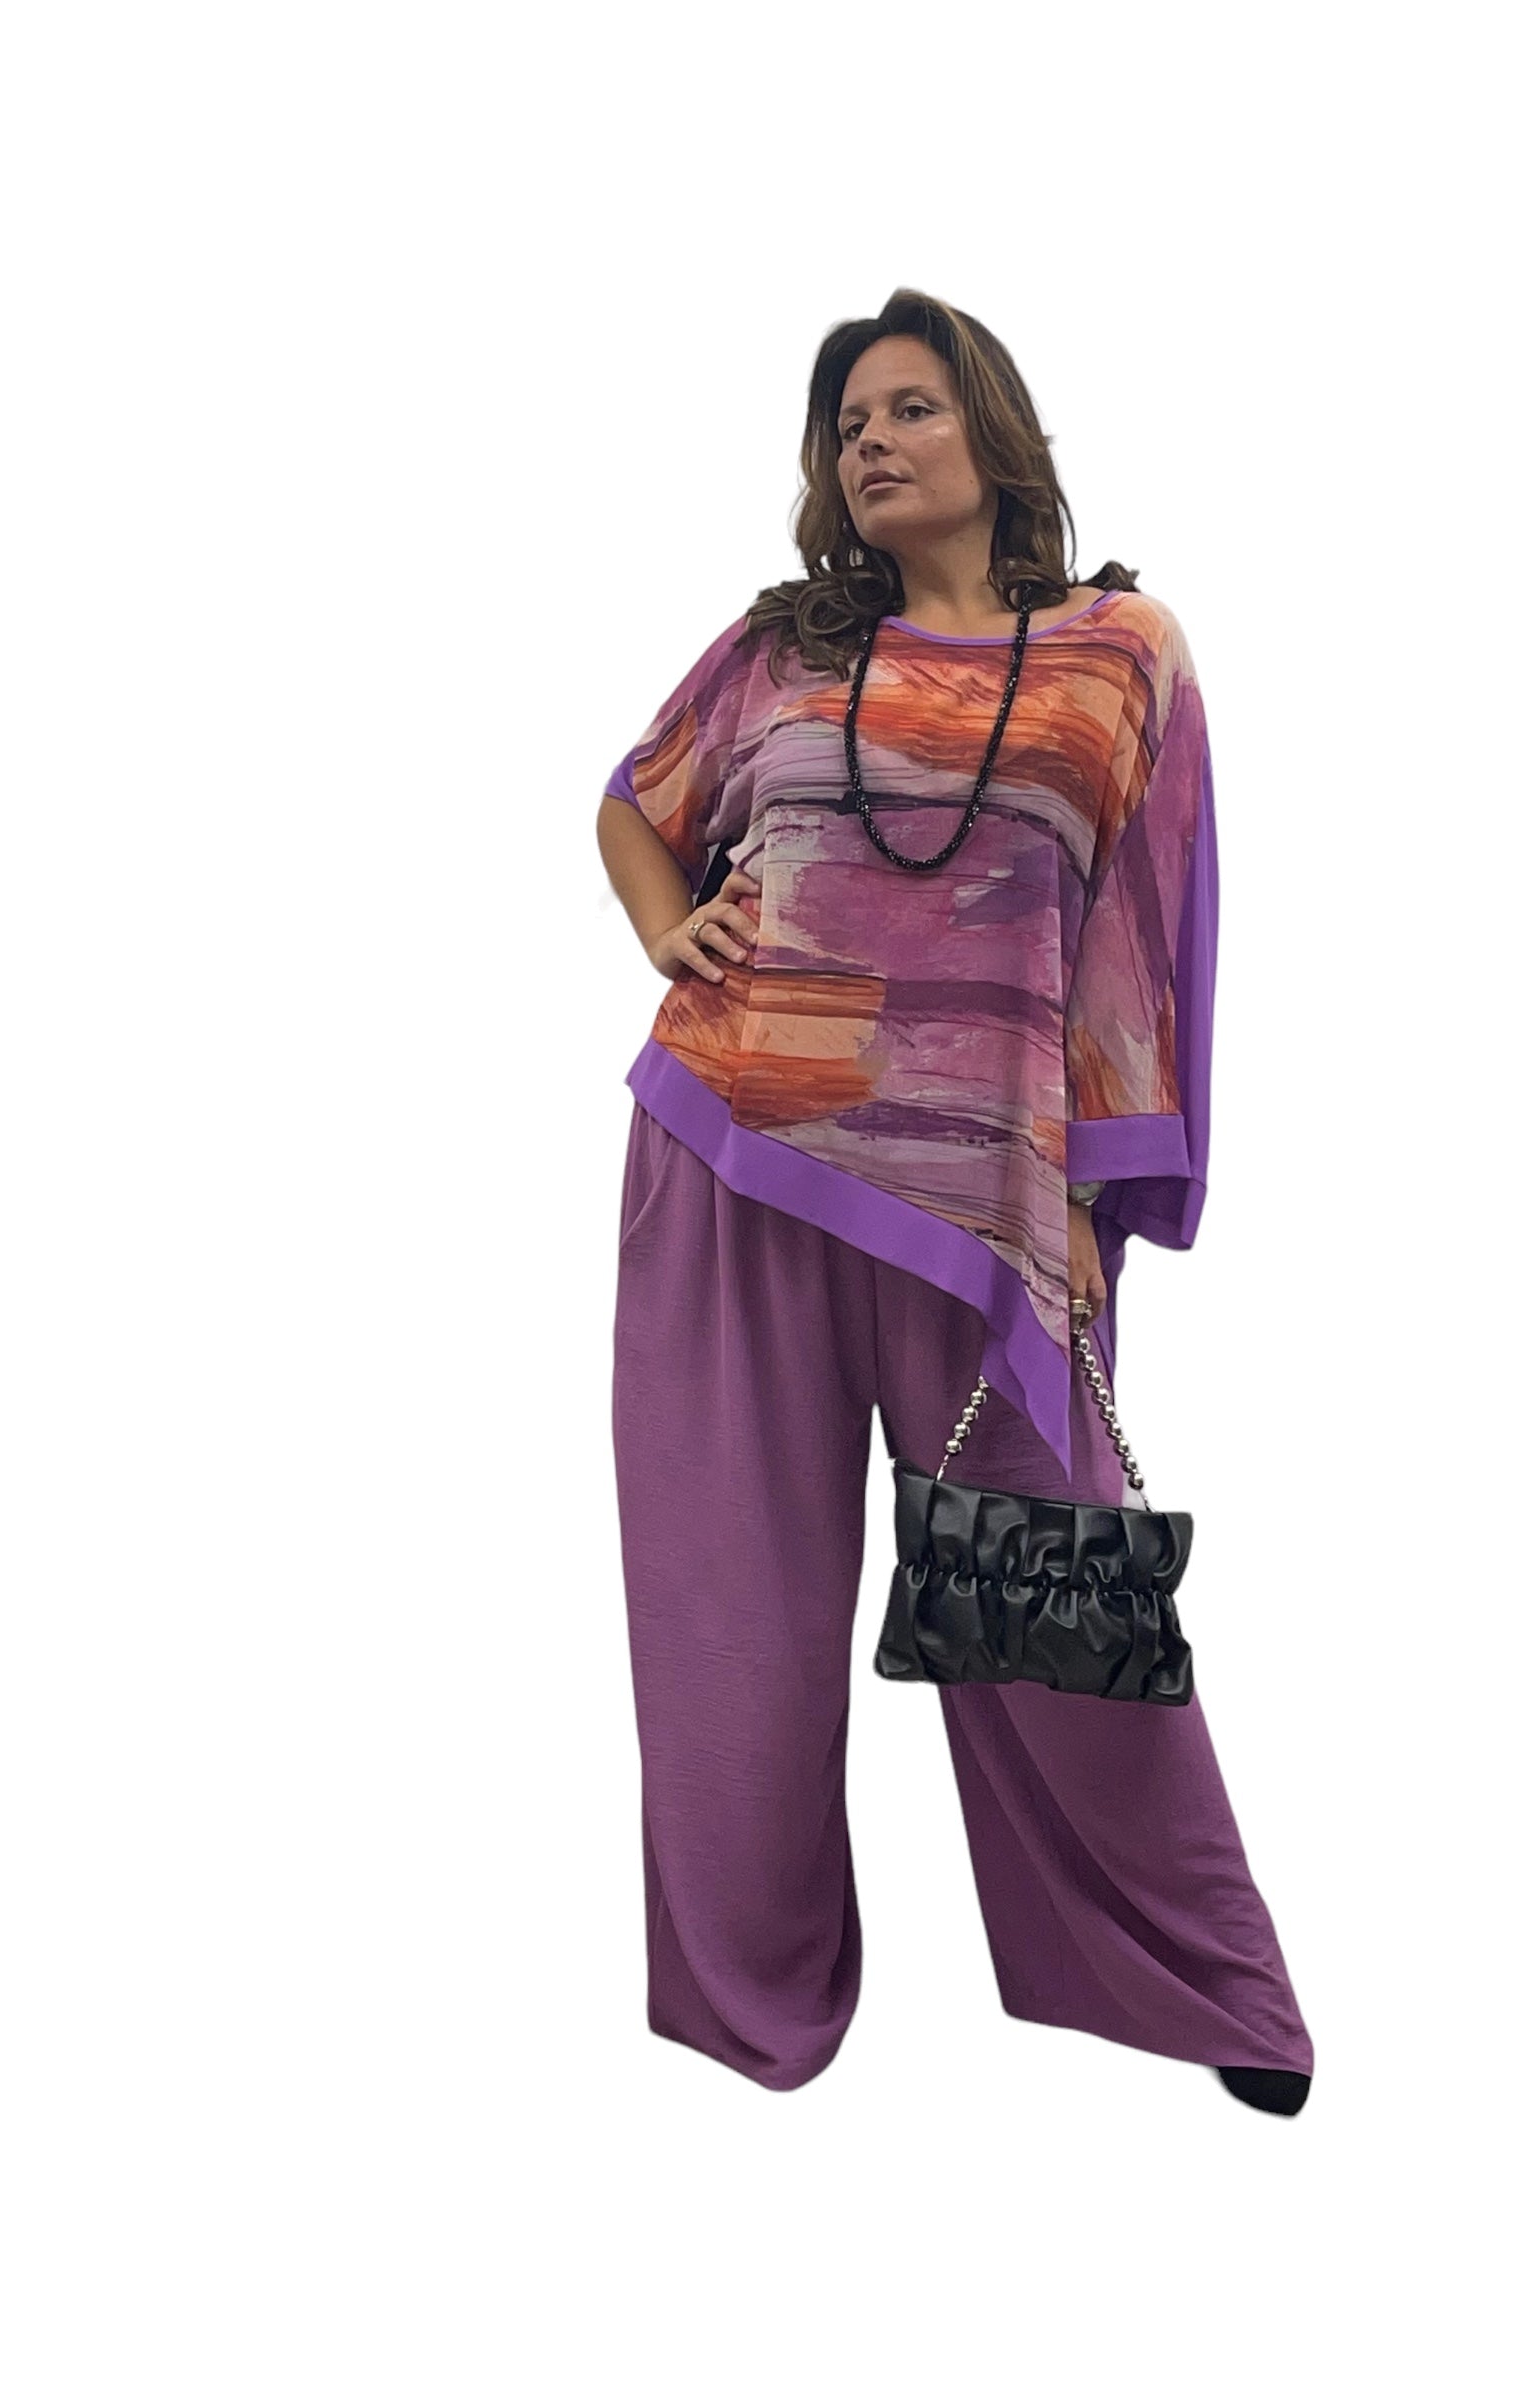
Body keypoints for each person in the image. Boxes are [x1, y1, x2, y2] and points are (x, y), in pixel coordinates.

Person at [596, 286, 1313, 2116]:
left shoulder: (1120, 656)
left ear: (993, 433)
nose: (873, 441)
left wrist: (1095, 1196)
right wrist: (671, 927)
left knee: (1057, 1597)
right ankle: (748, 2012)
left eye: (910, 407)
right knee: (729, 1624)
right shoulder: (779, 651)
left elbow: (1140, 938)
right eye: (849, 423)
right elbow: (635, 804)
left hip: (982, 1203)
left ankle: (1198, 1983)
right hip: (732, 1155)